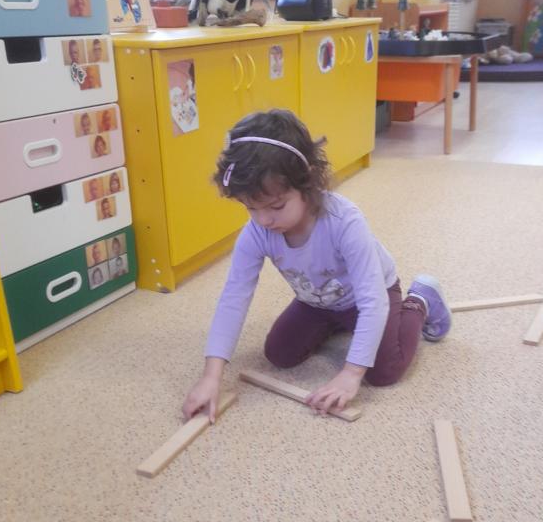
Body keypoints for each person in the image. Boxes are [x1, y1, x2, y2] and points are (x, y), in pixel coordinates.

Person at [182, 109, 451, 422]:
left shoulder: (344, 221)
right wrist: (211, 376)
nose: (264, 219)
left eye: (276, 206)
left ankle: (420, 301)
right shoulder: (256, 232)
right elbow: (234, 297)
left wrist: (351, 373)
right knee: (279, 354)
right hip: (318, 300)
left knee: (383, 372)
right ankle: (340, 323)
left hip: (373, 293)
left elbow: (373, 300)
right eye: (250, 208)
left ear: (307, 182)